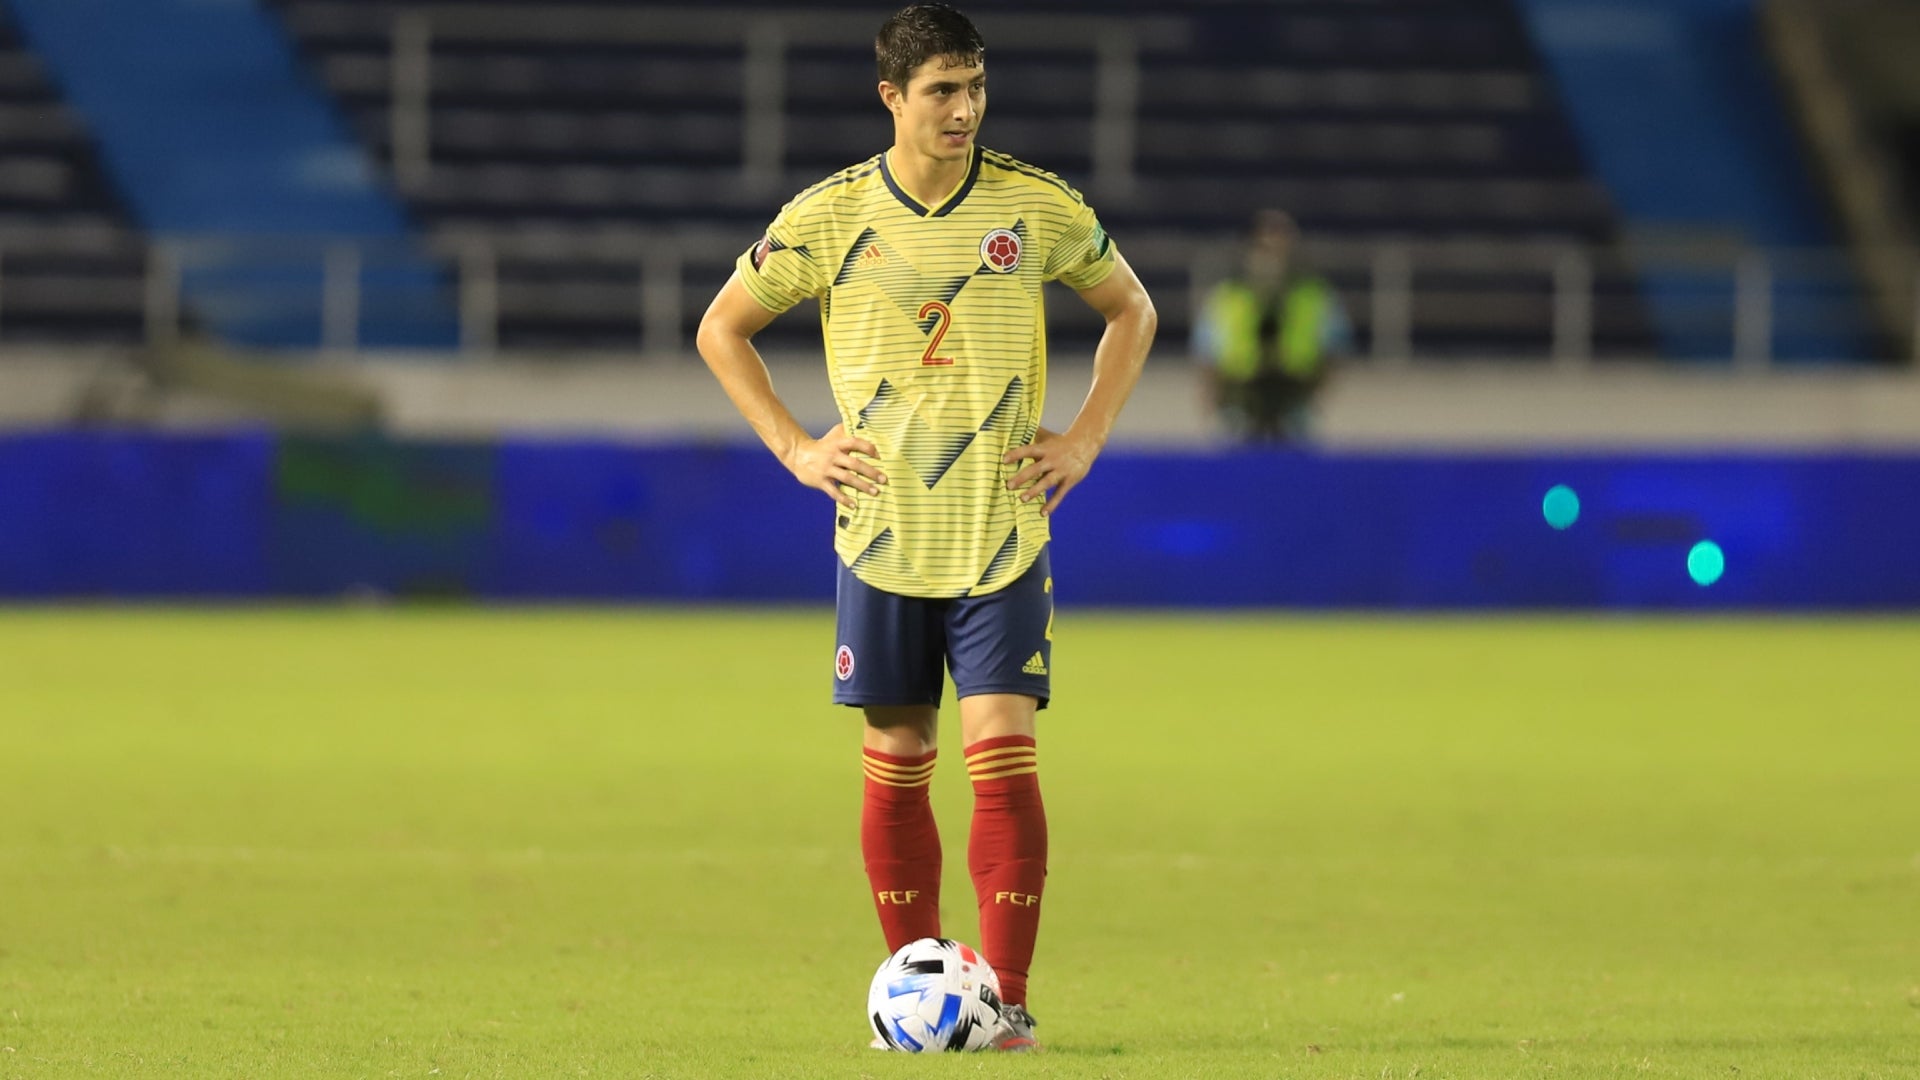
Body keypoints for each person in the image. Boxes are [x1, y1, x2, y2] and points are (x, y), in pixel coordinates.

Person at [695, 2, 1156, 1052]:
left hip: (1001, 533)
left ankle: (1010, 1004)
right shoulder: (831, 215)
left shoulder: (1033, 206)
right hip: (882, 538)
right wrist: (796, 449)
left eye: (976, 86)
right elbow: (722, 328)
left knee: (1003, 754)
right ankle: (916, 995)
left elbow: (1132, 308)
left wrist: (1085, 438)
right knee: (897, 756)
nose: (965, 108)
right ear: (892, 97)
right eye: (943, 90)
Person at [1193, 209, 1350, 442]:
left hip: (1294, 404)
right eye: (1265, 248)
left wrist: (1315, 399)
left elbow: (1334, 351)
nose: (1273, 257)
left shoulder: (1315, 296)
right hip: (1239, 404)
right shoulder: (1227, 297)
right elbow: (1207, 355)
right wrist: (1212, 401)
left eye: (1282, 247)